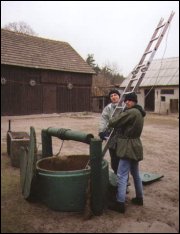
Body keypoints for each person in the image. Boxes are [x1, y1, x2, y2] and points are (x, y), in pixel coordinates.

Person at [108, 92, 146, 213]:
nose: (126, 102)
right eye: (126, 100)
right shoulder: (139, 112)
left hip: (127, 147)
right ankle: (139, 198)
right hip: (135, 145)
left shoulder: (131, 112)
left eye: (129, 100)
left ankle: (120, 203)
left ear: (134, 101)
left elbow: (112, 122)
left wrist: (118, 114)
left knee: (122, 174)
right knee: (135, 173)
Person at [98, 89, 121, 174]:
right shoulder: (108, 108)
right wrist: (102, 131)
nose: (113, 97)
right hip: (112, 135)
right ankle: (115, 173)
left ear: (119, 96)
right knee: (114, 157)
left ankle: (123, 178)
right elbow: (103, 119)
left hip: (123, 136)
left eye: (115, 95)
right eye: (111, 96)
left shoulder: (124, 105)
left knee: (122, 157)